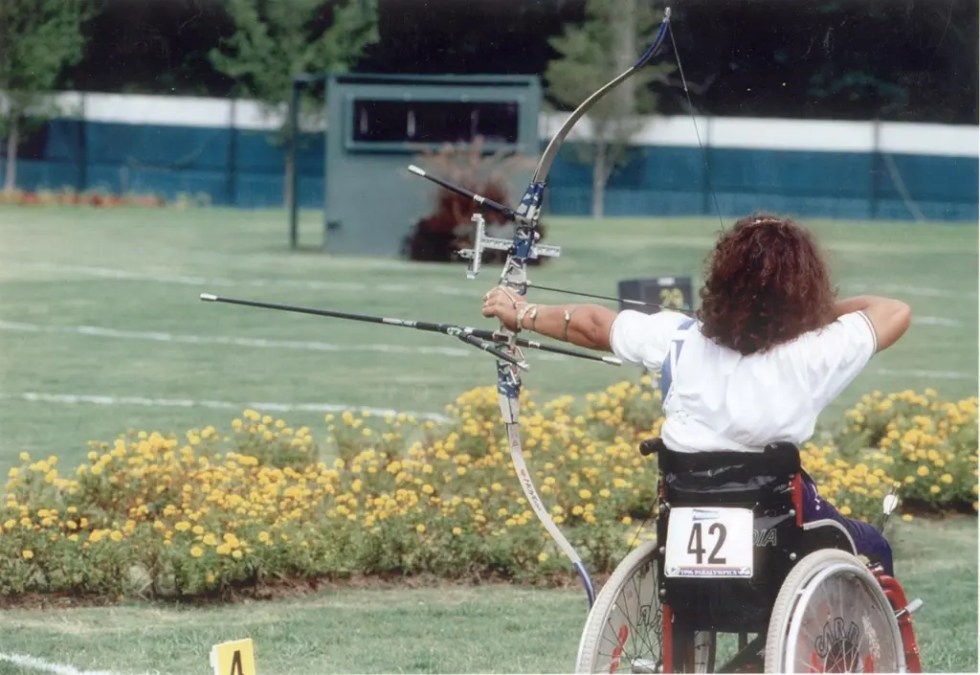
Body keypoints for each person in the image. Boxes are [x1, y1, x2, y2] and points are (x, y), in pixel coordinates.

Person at [480, 213, 911, 575]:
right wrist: (808, 316)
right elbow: (893, 311)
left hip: (685, 506)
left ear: (721, 277)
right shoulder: (817, 349)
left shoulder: (679, 336)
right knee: (873, 544)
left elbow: (593, 324)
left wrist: (521, 313)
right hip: (780, 528)